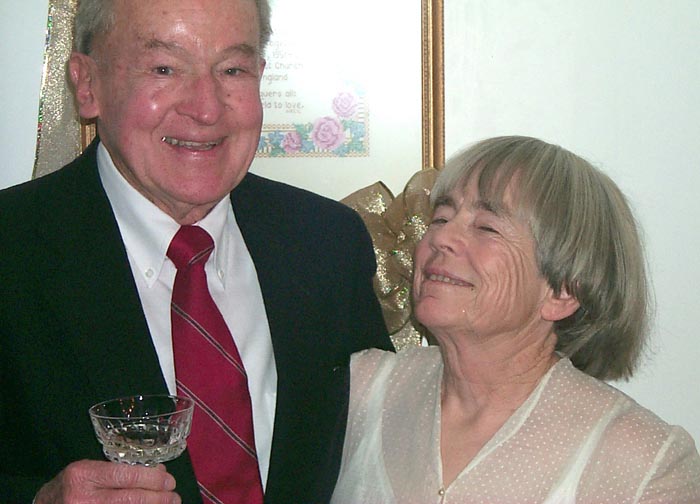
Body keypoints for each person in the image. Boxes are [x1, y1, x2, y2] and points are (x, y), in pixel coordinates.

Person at [0, 0, 392, 502]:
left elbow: (382, 449)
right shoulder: (13, 249)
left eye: (232, 70)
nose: (206, 108)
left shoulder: (326, 242)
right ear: (87, 84)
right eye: (164, 68)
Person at [331, 136, 700, 503]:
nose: (441, 237)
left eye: (486, 227)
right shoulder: (360, 389)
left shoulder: (642, 462)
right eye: (441, 217)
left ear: (563, 292)